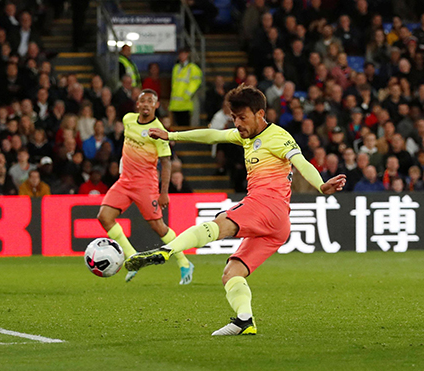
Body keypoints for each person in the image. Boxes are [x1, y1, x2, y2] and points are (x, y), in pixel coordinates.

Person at [129, 85, 346, 335]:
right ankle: (245, 321)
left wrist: (320, 184)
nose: (237, 123)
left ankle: (167, 250)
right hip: (277, 225)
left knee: (222, 221)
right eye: (234, 117)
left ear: (260, 114)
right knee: (232, 272)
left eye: (242, 117)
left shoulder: (279, 137)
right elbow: (212, 136)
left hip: (267, 205)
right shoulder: (245, 135)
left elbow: (301, 162)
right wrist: (172, 136)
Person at [97, 89, 194, 285]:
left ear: (156, 105)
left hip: (145, 184)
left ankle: (184, 263)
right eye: (143, 101)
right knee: (104, 217)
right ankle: (133, 257)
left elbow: (166, 162)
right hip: (125, 181)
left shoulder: (158, 131)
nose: (146, 104)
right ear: (138, 104)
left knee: (158, 227)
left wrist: (163, 192)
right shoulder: (128, 120)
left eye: (151, 101)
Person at [169, 48, 202, 127]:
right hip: (175, 103)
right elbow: (174, 84)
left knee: (186, 126)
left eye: (184, 53)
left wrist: (187, 94)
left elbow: (195, 82)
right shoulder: (176, 68)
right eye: (180, 54)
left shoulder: (193, 68)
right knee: (177, 127)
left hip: (186, 102)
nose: (182, 56)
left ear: (188, 54)